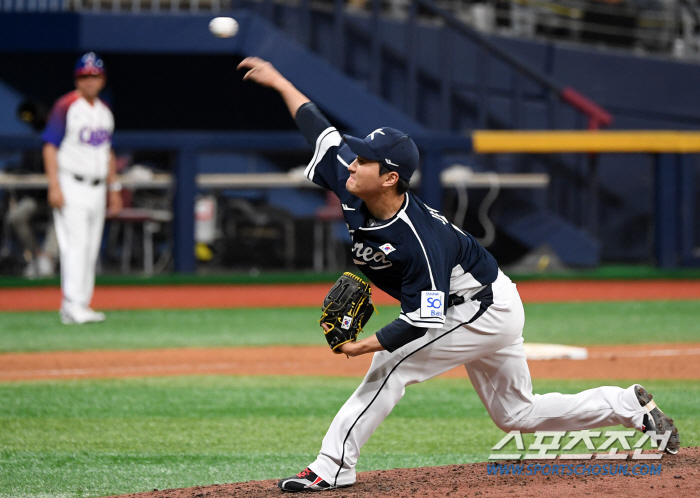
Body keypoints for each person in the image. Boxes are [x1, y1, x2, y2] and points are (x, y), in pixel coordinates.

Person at [237, 57, 680, 492]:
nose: (352, 163)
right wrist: (279, 81)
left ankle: (332, 467)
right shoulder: (354, 185)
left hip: (480, 309)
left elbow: (424, 319)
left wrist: (361, 346)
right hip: (487, 301)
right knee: (516, 415)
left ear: (390, 178)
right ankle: (625, 405)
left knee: (389, 367)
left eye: (364, 160)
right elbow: (321, 129)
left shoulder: (419, 239)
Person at [42, 52, 123, 324]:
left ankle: (82, 304)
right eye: (85, 76)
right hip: (72, 183)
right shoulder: (66, 105)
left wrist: (114, 188)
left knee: (89, 248)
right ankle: (71, 305)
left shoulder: (104, 111)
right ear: (77, 79)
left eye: (95, 76)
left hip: (98, 187)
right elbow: (50, 146)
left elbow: (108, 151)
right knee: (75, 246)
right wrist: (54, 185)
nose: (90, 81)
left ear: (102, 79)